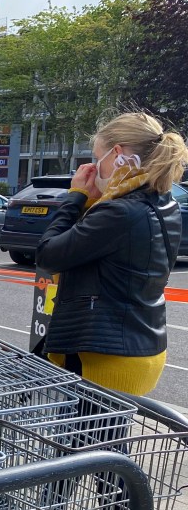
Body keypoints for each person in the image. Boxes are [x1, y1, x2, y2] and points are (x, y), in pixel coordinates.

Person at [36, 111, 188, 395]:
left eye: (98, 157)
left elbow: (48, 255)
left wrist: (76, 196)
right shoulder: (163, 203)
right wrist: (91, 204)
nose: (96, 167)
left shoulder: (118, 211)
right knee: (108, 438)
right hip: (139, 347)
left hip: (104, 357)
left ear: (118, 154)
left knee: (85, 439)